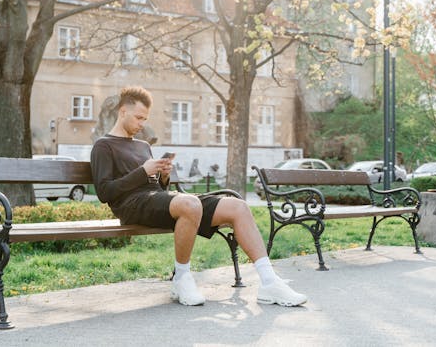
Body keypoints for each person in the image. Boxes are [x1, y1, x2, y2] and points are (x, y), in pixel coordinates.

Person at [90, 86, 306, 307]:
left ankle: (270, 283)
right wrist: (143, 171)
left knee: (238, 207)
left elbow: (160, 193)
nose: (142, 124)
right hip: (130, 207)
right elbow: (104, 192)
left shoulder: (143, 146)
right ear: (123, 111)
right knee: (190, 203)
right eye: (138, 118)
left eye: (145, 119)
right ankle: (181, 278)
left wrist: (163, 176)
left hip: (155, 200)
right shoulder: (103, 146)